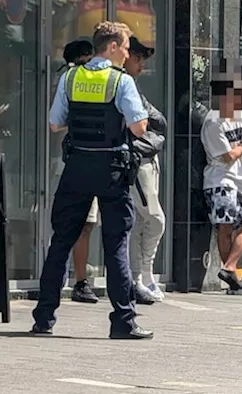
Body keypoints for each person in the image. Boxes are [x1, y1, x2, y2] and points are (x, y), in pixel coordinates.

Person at [32, 21, 152, 339]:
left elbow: (55, 124)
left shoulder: (71, 76)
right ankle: (123, 321)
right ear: (111, 47)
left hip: (77, 166)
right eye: (126, 48)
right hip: (111, 167)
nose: (128, 54)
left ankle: (44, 318)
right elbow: (139, 128)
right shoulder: (120, 81)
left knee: (61, 241)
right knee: (116, 244)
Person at [201, 78, 242, 296]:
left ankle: (229, 268)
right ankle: (234, 281)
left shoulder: (239, 117)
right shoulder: (213, 122)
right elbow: (228, 156)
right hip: (219, 182)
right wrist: (240, 148)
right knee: (225, 228)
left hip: (240, 182)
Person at [57, 39, 102, 304]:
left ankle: (78, 278)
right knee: (76, 224)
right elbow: (57, 121)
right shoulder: (69, 81)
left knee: (86, 224)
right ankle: (73, 279)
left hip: (78, 161)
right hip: (67, 163)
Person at [123, 36, 168, 304]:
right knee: (154, 218)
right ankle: (141, 275)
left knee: (142, 220)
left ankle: (140, 276)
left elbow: (158, 122)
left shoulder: (133, 87)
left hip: (145, 159)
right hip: (135, 162)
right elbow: (144, 124)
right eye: (137, 58)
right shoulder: (122, 84)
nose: (141, 65)